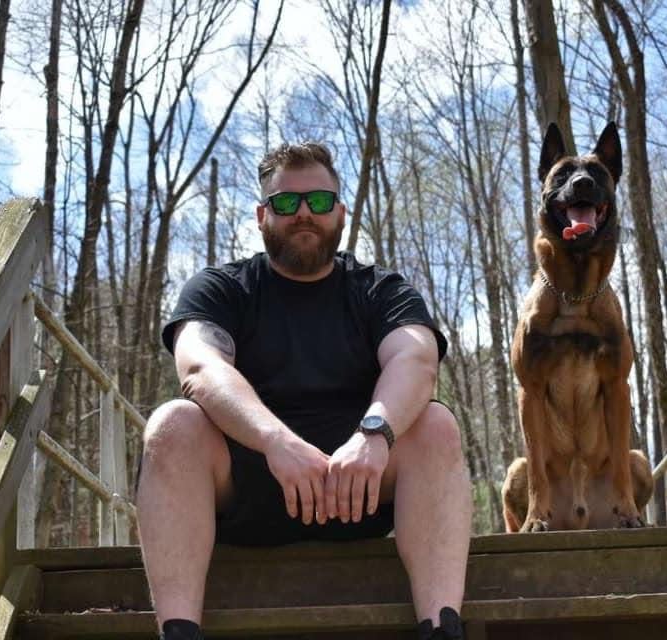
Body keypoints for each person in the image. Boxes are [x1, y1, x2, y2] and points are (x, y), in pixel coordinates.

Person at [136, 142, 473, 640]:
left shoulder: (378, 290)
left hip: (359, 486)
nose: (303, 215)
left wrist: (373, 437)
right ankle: (180, 633)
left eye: (318, 202)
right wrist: (277, 442)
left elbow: (416, 361)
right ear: (261, 215)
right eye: (285, 203)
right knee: (172, 424)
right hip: (248, 489)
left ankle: (441, 629)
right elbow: (201, 368)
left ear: (339, 211)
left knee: (437, 424)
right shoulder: (222, 288)